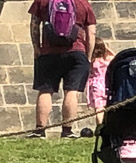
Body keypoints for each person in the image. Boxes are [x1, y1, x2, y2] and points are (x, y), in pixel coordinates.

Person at [28, 0, 98, 138]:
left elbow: (34, 24)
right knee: (72, 91)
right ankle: (67, 131)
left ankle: (40, 130)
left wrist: (36, 47)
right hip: (76, 52)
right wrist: (88, 56)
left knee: (46, 90)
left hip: (48, 52)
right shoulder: (82, 3)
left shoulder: (42, 1)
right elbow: (91, 32)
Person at [80, 38, 111, 136]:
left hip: (95, 85)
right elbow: (115, 56)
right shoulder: (107, 60)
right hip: (106, 84)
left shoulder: (92, 61)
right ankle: (106, 127)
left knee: (99, 108)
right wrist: (107, 48)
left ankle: (100, 127)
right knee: (107, 107)